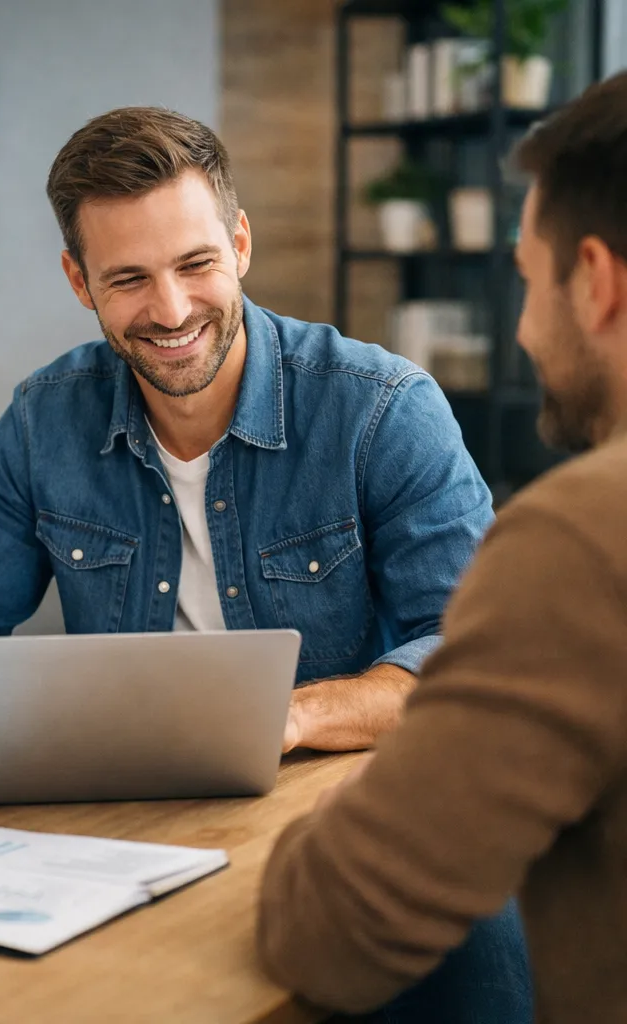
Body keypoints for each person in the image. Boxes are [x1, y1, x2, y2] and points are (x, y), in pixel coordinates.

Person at [0, 106, 494, 755]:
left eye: (195, 264)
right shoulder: (46, 419)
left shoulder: (383, 409)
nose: (171, 310)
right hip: (117, 797)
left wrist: (287, 716)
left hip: (321, 804)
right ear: (79, 281)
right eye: (129, 278)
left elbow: (475, 650)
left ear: (240, 245)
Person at [258, 72, 627, 1024]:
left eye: (527, 281)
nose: (525, 330)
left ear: (596, 281)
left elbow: (336, 925)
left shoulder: (582, 537)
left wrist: (321, 819)